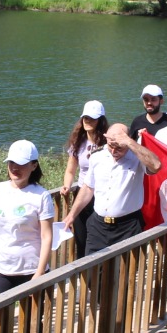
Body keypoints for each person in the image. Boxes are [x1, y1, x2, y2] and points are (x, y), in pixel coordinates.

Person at [63, 123, 162, 254]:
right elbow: (88, 188)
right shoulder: (97, 156)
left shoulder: (137, 158)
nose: (114, 151)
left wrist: (129, 142)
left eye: (119, 148)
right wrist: (71, 215)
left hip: (128, 227)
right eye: (111, 146)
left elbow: (156, 165)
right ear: (106, 138)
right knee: (91, 271)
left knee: (125, 273)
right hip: (98, 227)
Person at [0, 140, 55, 295]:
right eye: (11, 162)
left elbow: (46, 237)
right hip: (1, 267)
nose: (15, 168)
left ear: (34, 166)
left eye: (21, 164)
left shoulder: (41, 196)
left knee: (30, 319)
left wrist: (39, 273)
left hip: (31, 269)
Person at [61, 100, 108, 260]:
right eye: (85, 118)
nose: (88, 121)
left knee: (99, 238)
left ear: (101, 120)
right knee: (81, 238)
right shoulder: (78, 143)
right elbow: (70, 170)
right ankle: (83, 276)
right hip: (82, 194)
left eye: (92, 118)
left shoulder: (108, 143)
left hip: (102, 195)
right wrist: (67, 186)